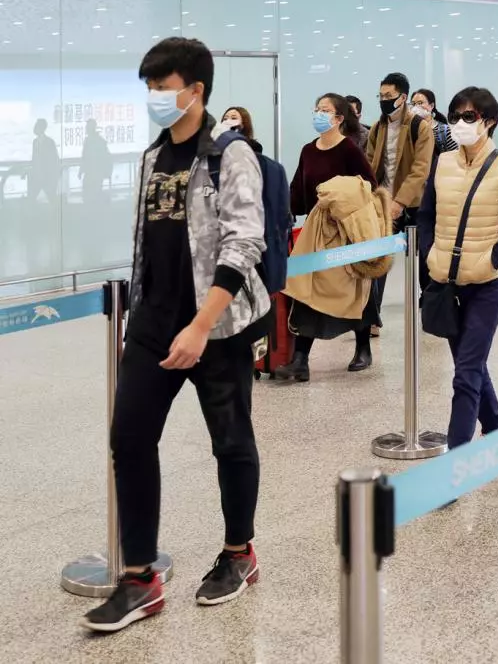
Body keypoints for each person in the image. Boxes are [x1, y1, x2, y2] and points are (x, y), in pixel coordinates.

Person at [79, 37, 268, 633]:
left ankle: (238, 553)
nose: (154, 97)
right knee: (129, 438)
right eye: (150, 88)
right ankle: (140, 579)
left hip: (216, 326)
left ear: (195, 90)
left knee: (230, 442)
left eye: (162, 87)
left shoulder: (230, 154)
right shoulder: (152, 155)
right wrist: (139, 319)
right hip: (154, 323)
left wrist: (202, 324)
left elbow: (245, 241)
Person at [417, 86, 498, 452]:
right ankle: (494, 426)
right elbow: (426, 215)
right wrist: (429, 254)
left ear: (489, 122)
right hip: (447, 281)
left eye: (469, 117)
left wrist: (493, 259)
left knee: (465, 372)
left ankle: (457, 460)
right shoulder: (442, 163)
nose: (460, 124)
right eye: (455, 117)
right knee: (472, 364)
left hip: (487, 284)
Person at [276, 93, 379, 380]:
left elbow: (368, 185)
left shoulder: (349, 149)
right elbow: (298, 189)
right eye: (317, 109)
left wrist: (335, 195)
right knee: (307, 290)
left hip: (344, 230)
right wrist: (283, 210)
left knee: (355, 289)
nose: (319, 114)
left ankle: (363, 348)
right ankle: (300, 360)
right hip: (315, 231)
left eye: (325, 110)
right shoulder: (308, 150)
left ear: (339, 118)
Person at [367, 72, 435, 321]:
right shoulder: (377, 127)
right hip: (383, 203)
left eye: (389, 95)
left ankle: (430, 309)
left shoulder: (420, 127)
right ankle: (372, 317)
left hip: (414, 203)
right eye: (380, 96)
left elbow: (420, 170)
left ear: (402, 97)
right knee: (378, 260)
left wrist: (400, 202)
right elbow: (370, 163)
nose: (384, 100)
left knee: (424, 259)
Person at [411, 88, 457, 155]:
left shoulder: (445, 131)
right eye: (413, 104)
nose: (416, 107)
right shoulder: (409, 129)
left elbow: (454, 156)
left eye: (420, 103)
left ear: (431, 106)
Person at [80, 118, 113, 210]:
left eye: (87, 127)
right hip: (90, 173)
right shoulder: (88, 140)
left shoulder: (99, 141)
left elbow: (104, 158)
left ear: (91, 128)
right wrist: (81, 170)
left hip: (96, 173)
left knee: (94, 195)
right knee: (89, 194)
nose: (86, 129)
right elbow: (84, 157)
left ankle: (96, 213)